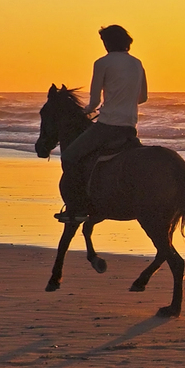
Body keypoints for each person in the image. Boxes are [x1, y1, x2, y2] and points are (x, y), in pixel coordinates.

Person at [58, 23, 148, 221]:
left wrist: (86, 112)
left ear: (108, 42)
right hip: (129, 128)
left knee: (70, 156)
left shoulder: (102, 63)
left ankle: (77, 208)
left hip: (107, 126)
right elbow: (142, 98)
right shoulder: (137, 63)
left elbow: (94, 101)